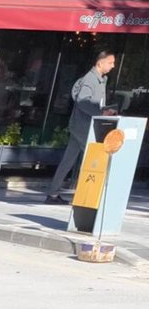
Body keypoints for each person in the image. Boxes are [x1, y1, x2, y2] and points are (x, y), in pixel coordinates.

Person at [48, 48, 116, 203]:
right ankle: (87, 196)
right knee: (94, 160)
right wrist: (101, 113)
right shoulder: (91, 79)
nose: (113, 66)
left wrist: (104, 111)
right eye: (110, 63)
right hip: (84, 128)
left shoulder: (98, 79)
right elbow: (83, 101)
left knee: (68, 161)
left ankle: (53, 193)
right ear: (100, 63)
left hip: (80, 126)